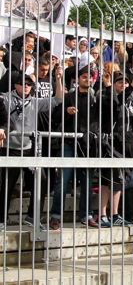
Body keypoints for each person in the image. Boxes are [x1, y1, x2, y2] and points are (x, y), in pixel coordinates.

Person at [0, 71, 63, 231]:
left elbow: (58, 99)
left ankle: (33, 217)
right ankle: (1, 219)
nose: (27, 86)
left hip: (29, 149)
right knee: (7, 185)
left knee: (40, 181)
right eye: (23, 83)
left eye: (29, 84)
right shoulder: (6, 98)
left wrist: (58, 78)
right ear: (15, 85)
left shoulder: (35, 101)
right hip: (10, 148)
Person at [49, 66, 100, 230]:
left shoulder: (96, 98)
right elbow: (55, 118)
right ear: (77, 79)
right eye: (84, 76)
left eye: (90, 77)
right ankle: (56, 216)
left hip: (88, 145)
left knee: (86, 183)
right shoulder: (69, 96)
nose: (87, 79)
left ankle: (87, 215)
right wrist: (66, 111)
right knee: (62, 181)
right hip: (70, 143)